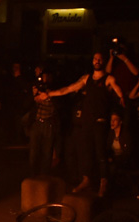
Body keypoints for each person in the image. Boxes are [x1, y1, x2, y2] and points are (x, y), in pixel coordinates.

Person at [45, 51, 126, 196]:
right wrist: (49, 94)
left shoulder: (108, 79)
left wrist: (121, 97)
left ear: (103, 61)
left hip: (100, 122)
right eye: (95, 58)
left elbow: (117, 88)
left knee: (100, 153)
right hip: (87, 122)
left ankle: (103, 183)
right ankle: (86, 180)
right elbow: (68, 89)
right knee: (85, 152)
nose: (97, 61)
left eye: (100, 59)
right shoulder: (86, 79)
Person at [28, 71, 60, 177]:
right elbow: (29, 104)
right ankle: (33, 174)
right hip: (37, 122)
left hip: (48, 124)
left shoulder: (54, 91)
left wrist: (49, 96)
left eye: (47, 76)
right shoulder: (37, 89)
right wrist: (34, 96)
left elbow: (58, 106)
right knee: (34, 151)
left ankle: (44, 175)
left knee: (47, 151)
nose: (45, 79)